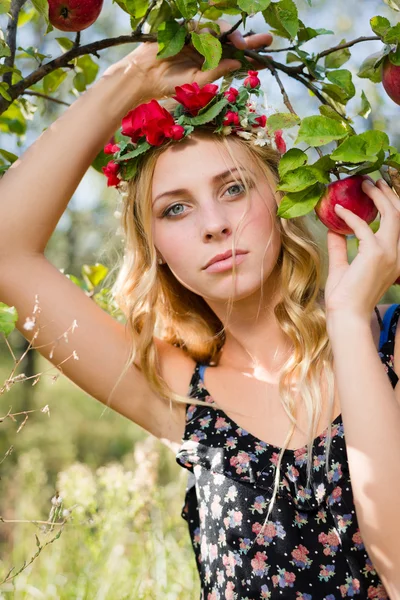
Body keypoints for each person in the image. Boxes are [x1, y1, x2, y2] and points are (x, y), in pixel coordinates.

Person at [0, 20, 399, 600]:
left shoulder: (388, 346)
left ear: (280, 199)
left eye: (233, 188)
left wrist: (346, 320)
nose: (214, 224)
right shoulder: (177, 392)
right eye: (175, 209)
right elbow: (7, 252)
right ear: (155, 249)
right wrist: (133, 78)